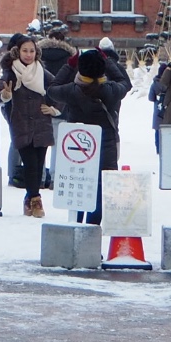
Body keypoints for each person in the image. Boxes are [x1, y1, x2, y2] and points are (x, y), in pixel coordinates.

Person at [49, 48, 125, 224]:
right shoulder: (111, 90)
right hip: (105, 149)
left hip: (78, 150)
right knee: (98, 192)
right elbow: (124, 81)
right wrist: (108, 61)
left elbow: (52, 89)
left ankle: (76, 231)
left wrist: (69, 65)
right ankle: (91, 234)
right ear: (102, 69)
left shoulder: (71, 91)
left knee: (79, 188)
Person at [0, 33, 59, 217]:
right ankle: (35, 200)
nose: (28, 54)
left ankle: (29, 199)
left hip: (41, 123)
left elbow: (58, 89)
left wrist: (54, 108)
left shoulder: (41, 71)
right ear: (17, 52)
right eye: (25, 50)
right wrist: (5, 96)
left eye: (32, 50)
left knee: (39, 165)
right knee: (30, 163)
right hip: (21, 123)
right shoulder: (11, 72)